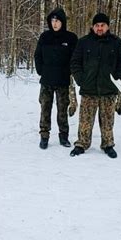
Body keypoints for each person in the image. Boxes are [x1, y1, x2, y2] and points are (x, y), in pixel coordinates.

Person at [69, 13, 121, 159]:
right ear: (92, 27)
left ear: (107, 26)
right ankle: (82, 143)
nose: (100, 28)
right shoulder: (83, 42)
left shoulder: (116, 43)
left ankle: (108, 144)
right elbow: (75, 62)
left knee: (108, 120)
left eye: (102, 25)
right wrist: (81, 79)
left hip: (108, 89)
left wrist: (117, 78)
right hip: (89, 89)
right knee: (85, 120)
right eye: (97, 25)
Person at [34, 8, 78, 149]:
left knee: (62, 110)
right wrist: (41, 70)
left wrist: (69, 72)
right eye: (52, 20)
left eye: (57, 21)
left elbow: (75, 59)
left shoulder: (70, 38)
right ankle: (44, 136)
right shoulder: (45, 37)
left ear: (62, 22)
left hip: (62, 81)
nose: (55, 23)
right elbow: (37, 55)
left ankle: (63, 136)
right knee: (45, 108)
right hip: (46, 80)